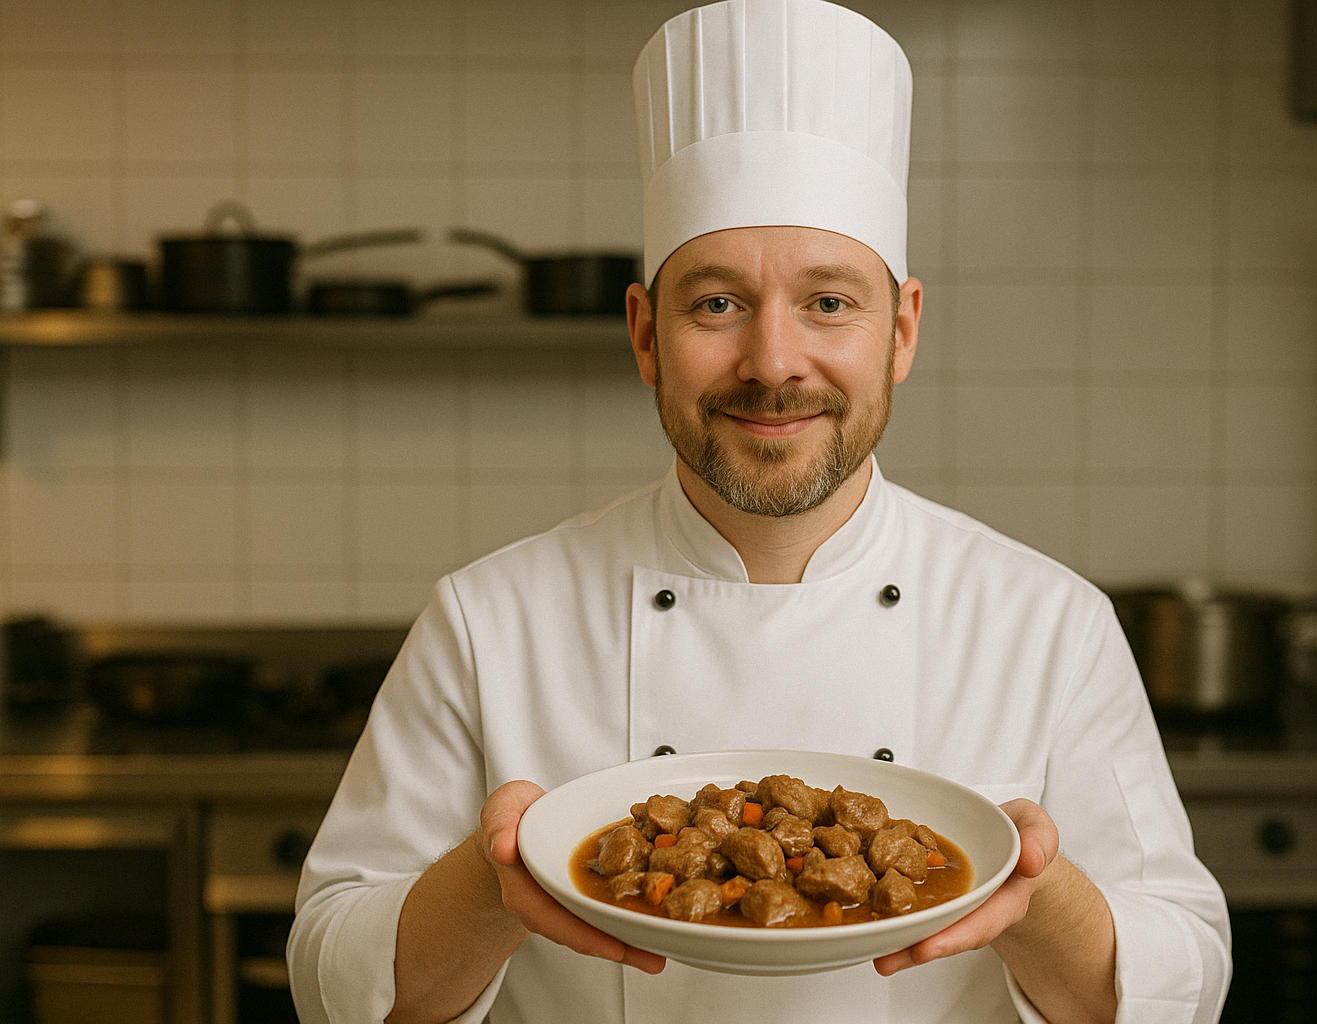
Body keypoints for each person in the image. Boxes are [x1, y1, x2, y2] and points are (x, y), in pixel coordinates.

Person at [287, 2, 1232, 1022]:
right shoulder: (489, 619)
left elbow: (1183, 982)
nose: (773, 362)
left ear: (901, 332)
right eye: (717, 304)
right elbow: (332, 979)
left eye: (829, 303)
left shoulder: (1050, 623)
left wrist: (1032, 889)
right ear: (646, 334)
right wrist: (491, 879)